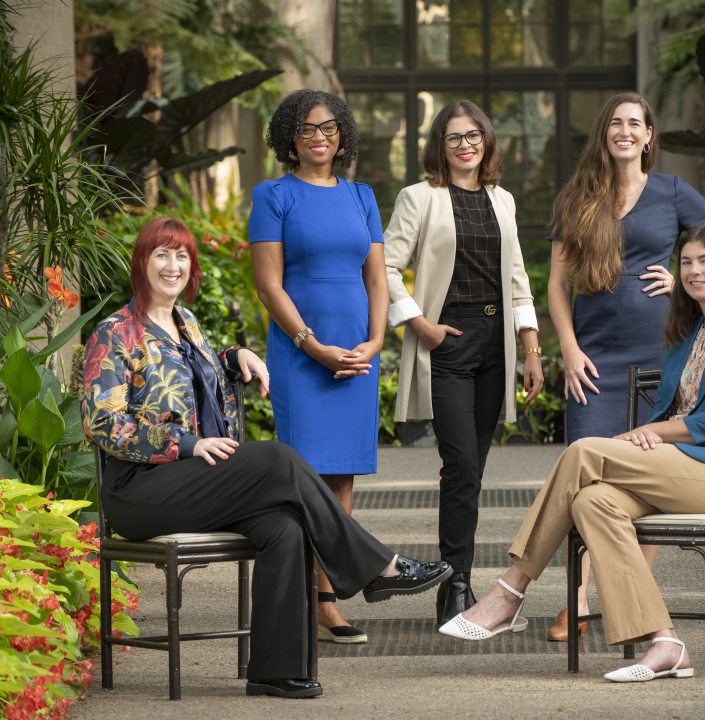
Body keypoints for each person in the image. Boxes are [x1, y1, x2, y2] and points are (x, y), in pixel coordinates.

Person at [82, 217, 451, 699]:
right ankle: (377, 568)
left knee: (286, 526)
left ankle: (276, 670)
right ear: (142, 263)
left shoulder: (186, 324)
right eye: (161, 255)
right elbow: (103, 424)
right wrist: (188, 444)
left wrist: (236, 357)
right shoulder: (114, 334)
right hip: (140, 491)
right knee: (279, 460)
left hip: (195, 481)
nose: (172, 266)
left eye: (181, 256)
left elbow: (201, 378)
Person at [440, 224, 705, 684]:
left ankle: (510, 590)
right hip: (679, 470)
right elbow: (674, 407)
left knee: (584, 452)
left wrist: (653, 433)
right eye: (685, 261)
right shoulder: (689, 329)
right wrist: (653, 438)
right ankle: (665, 642)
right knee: (591, 502)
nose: (694, 270)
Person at [545, 92, 705, 641]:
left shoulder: (671, 191)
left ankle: (628, 598)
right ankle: (578, 599)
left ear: (648, 136)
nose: (624, 131)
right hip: (592, 360)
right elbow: (557, 286)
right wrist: (568, 348)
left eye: (634, 123)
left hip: (660, 354)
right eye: (615, 122)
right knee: (582, 473)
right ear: (604, 134)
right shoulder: (577, 197)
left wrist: (680, 278)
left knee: (649, 483)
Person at [383, 99, 544, 626]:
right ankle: (455, 585)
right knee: (460, 467)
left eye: (474, 135)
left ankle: (457, 578)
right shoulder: (420, 198)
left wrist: (530, 347)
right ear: (439, 146)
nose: (465, 144)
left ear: (487, 140)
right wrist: (417, 322)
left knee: (473, 470)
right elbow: (383, 265)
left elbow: (517, 275)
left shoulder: (503, 201)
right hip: (446, 341)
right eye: (454, 137)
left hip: (496, 343)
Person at [248, 89, 387, 644]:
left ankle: (327, 595)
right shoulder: (273, 194)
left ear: (342, 134)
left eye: (328, 127)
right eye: (306, 129)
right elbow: (268, 284)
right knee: (304, 474)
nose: (319, 137)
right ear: (290, 138)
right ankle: (311, 598)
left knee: (342, 475)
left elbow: (376, 278)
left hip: (356, 353)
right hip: (301, 352)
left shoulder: (362, 196)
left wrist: (375, 342)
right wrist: (310, 344)